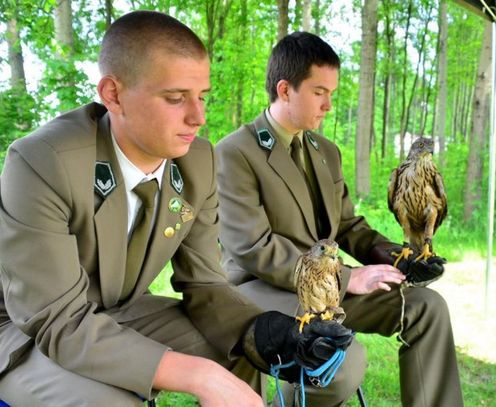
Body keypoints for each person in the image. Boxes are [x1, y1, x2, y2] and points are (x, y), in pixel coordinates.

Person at [0, 13, 353, 406]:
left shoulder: (196, 161)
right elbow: (58, 320)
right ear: (113, 94)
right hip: (25, 331)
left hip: (120, 311)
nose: (197, 117)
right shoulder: (44, 161)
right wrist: (199, 374)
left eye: (201, 96)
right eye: (174, 98)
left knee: (244, 347)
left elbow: (205, 284)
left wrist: (267, 332)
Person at [216, 31, 464, 407]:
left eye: (331, 93)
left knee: (426, 308)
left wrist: (398, 257)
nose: (329, 105)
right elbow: (254, 249)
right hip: (262, 290)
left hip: (328, 290)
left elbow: (347, 226)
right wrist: (348, 278)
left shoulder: (325, 151)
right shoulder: (235, 152)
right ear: (285, 90)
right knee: (342, 363)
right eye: (319, 92)